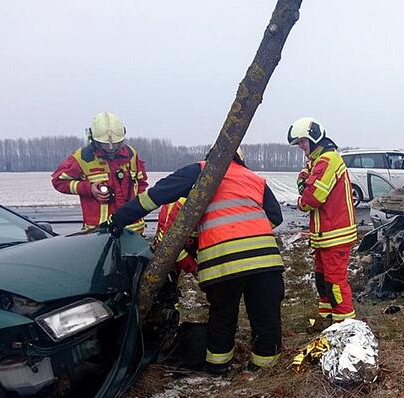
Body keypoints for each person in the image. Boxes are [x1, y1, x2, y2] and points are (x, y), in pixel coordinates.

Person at [108, 147, 285, 374]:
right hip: (265, 260)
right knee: (266, 316)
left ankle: (218, 369)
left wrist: (119, 218)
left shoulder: (200, 171)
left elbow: (154, 196)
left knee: (223, 316)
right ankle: (265, 372)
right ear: (241, 160)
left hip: (224, 261)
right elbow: (275, 217)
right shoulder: (255, 179)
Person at [287, 117, 357, 322]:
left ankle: (345, 326)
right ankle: (326, 320)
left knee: (335, 284)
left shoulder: (328, 160)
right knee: (322, 281)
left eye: (302, 141)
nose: (300, 146)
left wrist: (301, 199)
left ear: (313, 138)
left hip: (335, 235)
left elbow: (311, 199)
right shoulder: (316, 161)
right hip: (323, 235)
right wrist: (304, 183)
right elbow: (303, 178)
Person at [51, 112, 148, 231]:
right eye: (105, 145)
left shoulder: (131, 155)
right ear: (93, 140)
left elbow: (141, 184)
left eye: (116, 144)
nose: (111, 148)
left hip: (133, 229)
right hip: (99, 232)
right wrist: (88, 188)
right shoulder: (83, 158)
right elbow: (58, 181)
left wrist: (139, 209)